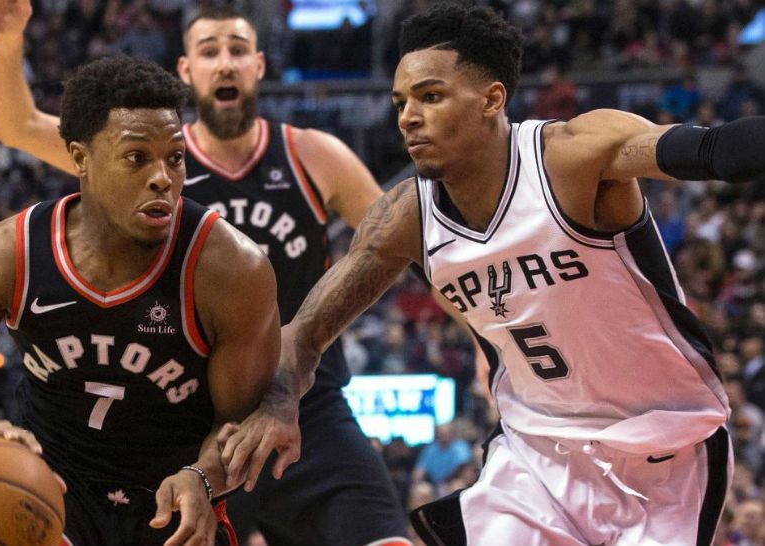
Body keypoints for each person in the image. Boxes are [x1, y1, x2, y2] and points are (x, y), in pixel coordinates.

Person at [225, 3, 765, 545]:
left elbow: (718, 150)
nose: (408, 116)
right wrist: (280, 403)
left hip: (665, 446)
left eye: (430, 96)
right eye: (401, 102)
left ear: (492, 99)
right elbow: (305, 335)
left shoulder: (570, 158)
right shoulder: (404, 219)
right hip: (536, 456)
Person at [0, 1, 412, 544]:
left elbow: (404, 241)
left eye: (236, 50)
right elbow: (14, 124)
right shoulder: (137, 155)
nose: (224, 63)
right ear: (186, 70)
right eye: (210, 51)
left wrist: (487, 344)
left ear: (259, 65)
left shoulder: (314, 156)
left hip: (300, 400)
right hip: (189, 422)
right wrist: (7, 37)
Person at [0, 55, 281, 546]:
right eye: (136, 157)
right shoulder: (1, 257)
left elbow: (239, 423)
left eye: (174, 157)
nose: (162, 178)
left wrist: (205, 476)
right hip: (50, 494)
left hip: (173, 499)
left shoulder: (231, 269)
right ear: (80, 158)